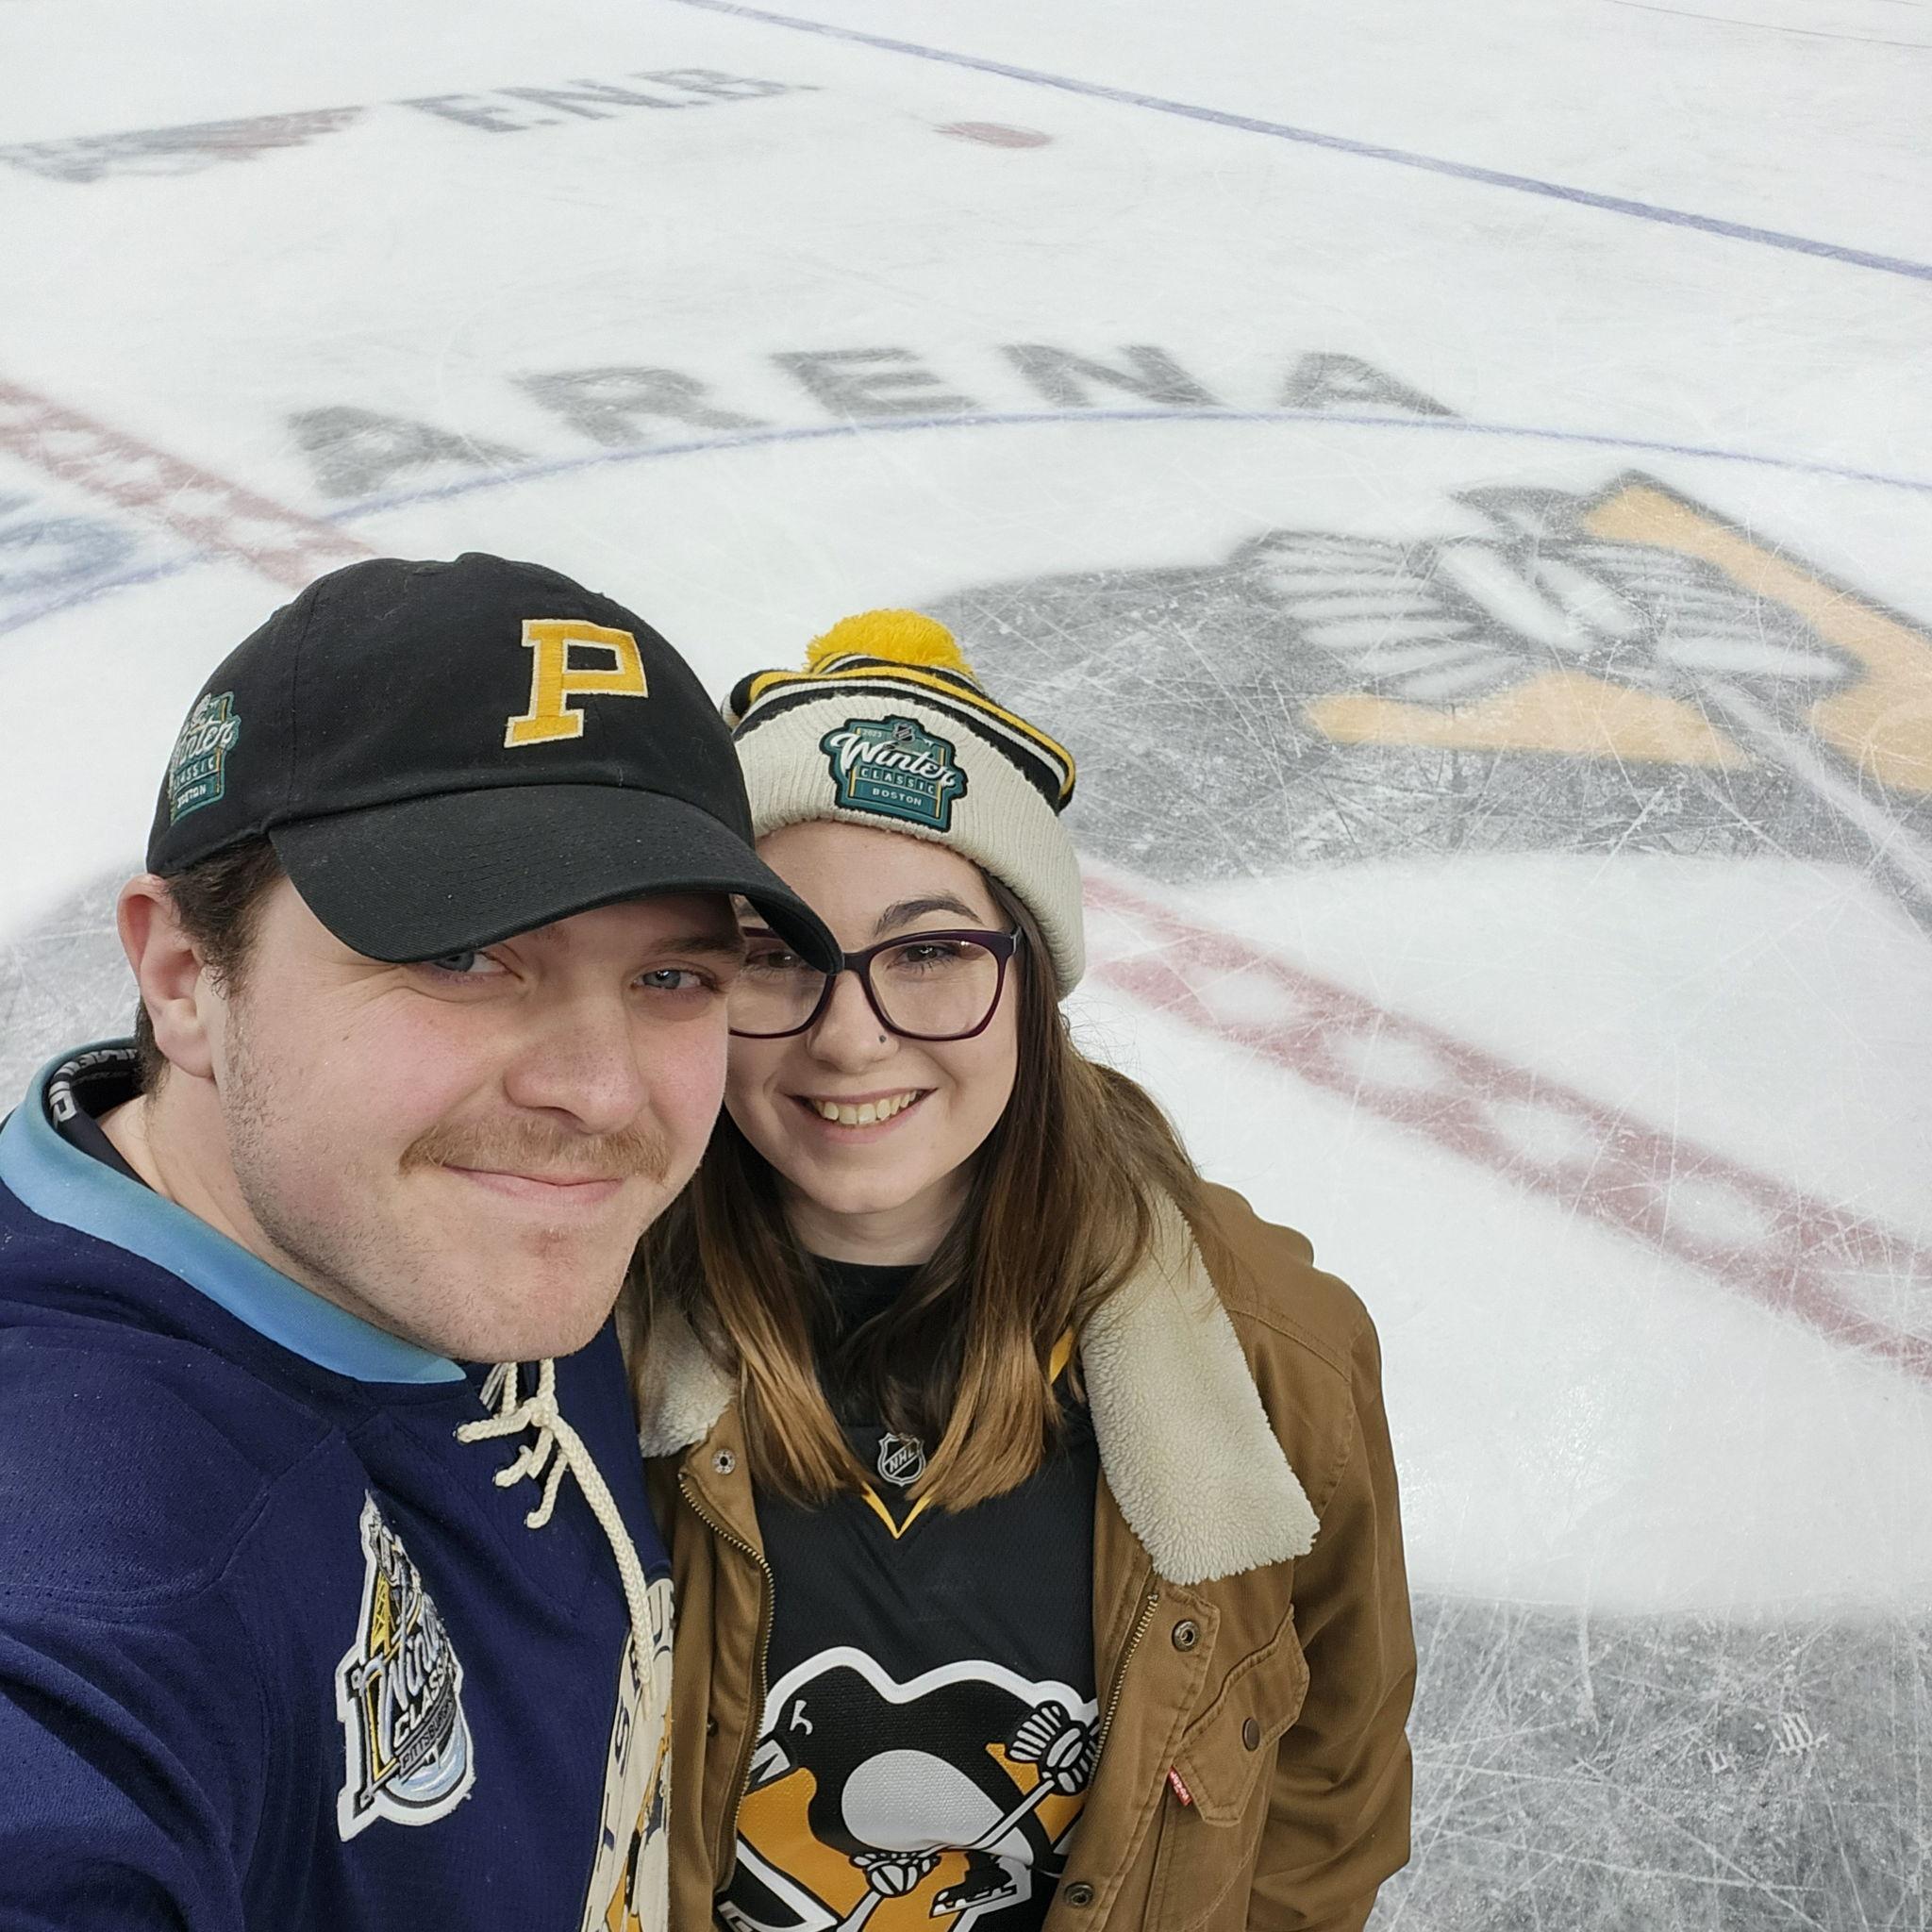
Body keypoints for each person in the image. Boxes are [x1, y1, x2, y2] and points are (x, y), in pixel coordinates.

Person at [0, 554, 838, 1931]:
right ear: (182, 979)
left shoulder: (406, 1217)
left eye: (672, 975)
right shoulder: (97, 1569)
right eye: (464, 955)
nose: (604, 1094)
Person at [629, 610, 1416, 1930]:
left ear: (1030, 975)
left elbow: (1330, 1792)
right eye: (777, 956)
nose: (850, 1039)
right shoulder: (576, 1321)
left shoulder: (1277, 1353)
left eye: (930, 952)